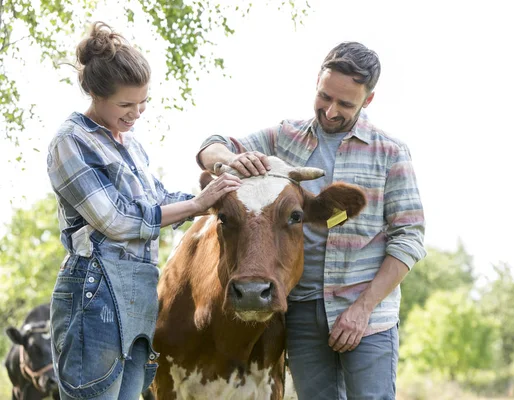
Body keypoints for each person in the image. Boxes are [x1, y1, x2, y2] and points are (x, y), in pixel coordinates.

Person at [197, 42, 426, 399]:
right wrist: (229, 159)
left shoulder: (391, 153)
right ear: (317, 83)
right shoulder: (284, 138)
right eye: (324, 97)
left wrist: (363, 308)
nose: (330, 111)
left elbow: (409, 238)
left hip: (366, 314)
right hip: (302, 309)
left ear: (368, 101)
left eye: (345, 104)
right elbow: (211, 145)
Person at [46, 22, 241, 399]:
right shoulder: (70, 141)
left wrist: (219, 198)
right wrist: (199, 204)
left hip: (139, 289)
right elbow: (116, 219)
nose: (137, 113)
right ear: (94, 93)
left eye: (143, 102)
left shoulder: (131, 145)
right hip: (94, 291)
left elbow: (157, 200)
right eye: (125, 104)